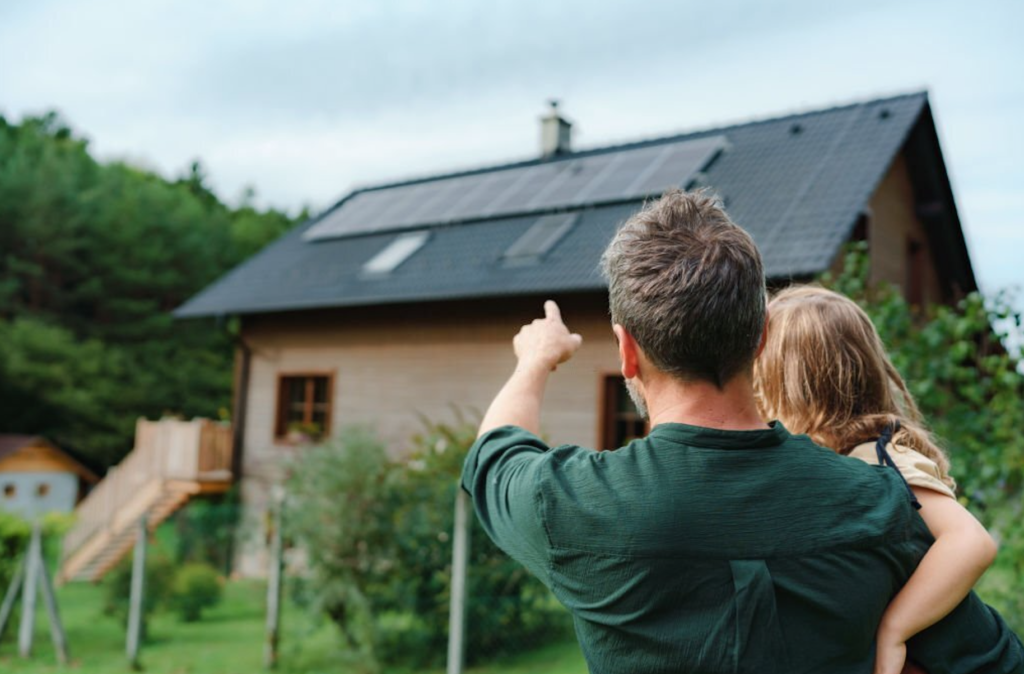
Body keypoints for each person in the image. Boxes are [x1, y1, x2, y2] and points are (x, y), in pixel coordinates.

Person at [460, 189, 1023, 674]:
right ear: (759, 339)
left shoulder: (569, 503)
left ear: (627, 350)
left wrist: (535, 359)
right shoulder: (878, 502)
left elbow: (495, 450)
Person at [753, 285, 1003, 674]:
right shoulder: (834, 462)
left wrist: (894, 629)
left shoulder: (883, 458)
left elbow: (972, 542)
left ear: (788, 385)